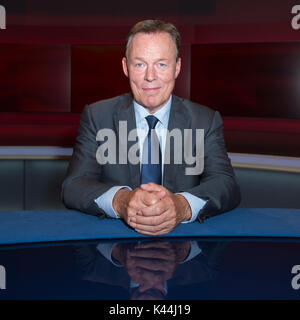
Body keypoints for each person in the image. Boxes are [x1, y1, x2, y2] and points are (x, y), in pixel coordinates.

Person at [62, 20, 241, 236]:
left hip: (184, 248)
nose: (150, 76)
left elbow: (226, 184)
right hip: (113, 249)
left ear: (177, 67)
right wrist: (121, 201)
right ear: (125, 67)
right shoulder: (97, 116)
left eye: (161, 64)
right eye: (139, 64)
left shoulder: (205, 120)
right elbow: (73, 186)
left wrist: (182, 206)